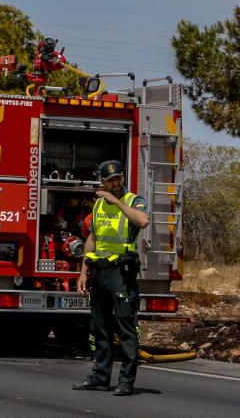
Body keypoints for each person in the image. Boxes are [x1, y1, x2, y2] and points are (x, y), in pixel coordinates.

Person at [73, 159, 150, 397]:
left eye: (119, 178)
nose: (116, 183)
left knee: (126, 327)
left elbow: (143, 221)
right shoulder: (98, 206)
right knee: (100, 327)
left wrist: (116, 202)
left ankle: (126, 380)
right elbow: (92, 239)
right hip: (100, 272)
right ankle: (100, 377)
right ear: (102, 182)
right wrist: (83, 272)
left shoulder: (131, 200)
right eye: (111, 180)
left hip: (122, 273)